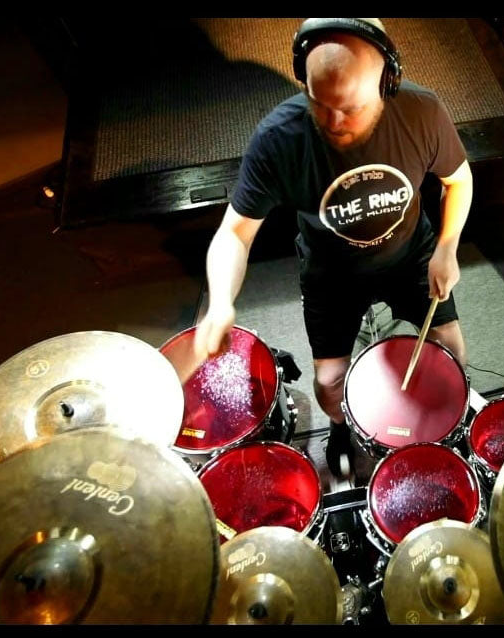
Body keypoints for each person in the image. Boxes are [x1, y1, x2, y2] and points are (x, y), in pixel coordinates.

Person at [194, 18, 473, 477]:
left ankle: (429, 430)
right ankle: (340, 428)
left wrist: (447, 247)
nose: (335, 123)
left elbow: (458, 181)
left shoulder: (422, 112)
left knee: (451, 352)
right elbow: (234, 233)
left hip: (412, 257)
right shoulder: (278, 139)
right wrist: (221, 302)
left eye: (351, 108)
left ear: (388, 81)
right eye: (319, 104)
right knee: (328, 382)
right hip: (331, 274)